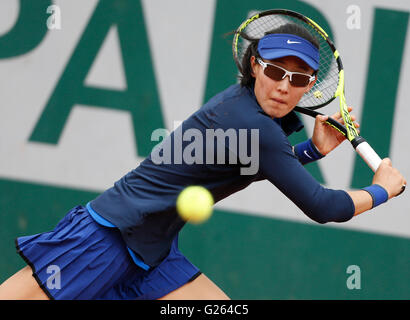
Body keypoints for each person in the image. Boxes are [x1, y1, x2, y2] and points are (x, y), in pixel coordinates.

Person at [0, 22, 405, 300]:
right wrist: (381, 190)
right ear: (255, 65)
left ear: (310, 86)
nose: (284, 86)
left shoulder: (243, 110)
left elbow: (246, 166)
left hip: (152, 251)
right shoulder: (254, 124)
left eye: (298, 79)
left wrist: (313, 150)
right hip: (107, 239)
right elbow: (323, 206)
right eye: (275, 70)